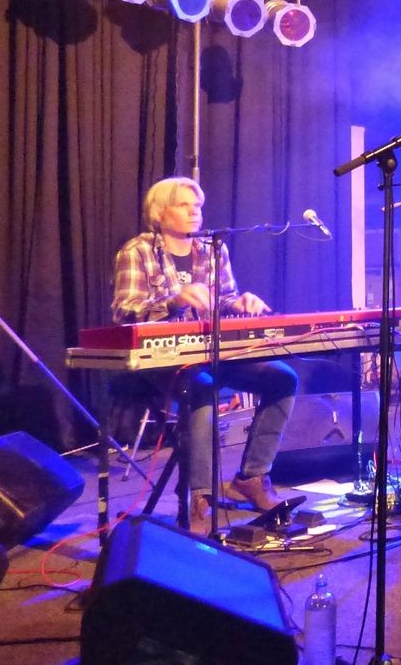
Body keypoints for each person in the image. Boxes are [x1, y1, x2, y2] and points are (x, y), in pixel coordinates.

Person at [111, 176, 298, 534]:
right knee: (202, 387)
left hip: (211, 351)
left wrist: (240, 303)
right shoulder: (137, 252)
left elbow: (224, 299)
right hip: (162, 360)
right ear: (159, 212)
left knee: (282, 378)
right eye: (184, 205)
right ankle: (201, 499)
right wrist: (173, 301)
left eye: (197, 205)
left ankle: (252, 477)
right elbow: (124, 312)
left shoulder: (212, 250)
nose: (194, 212)